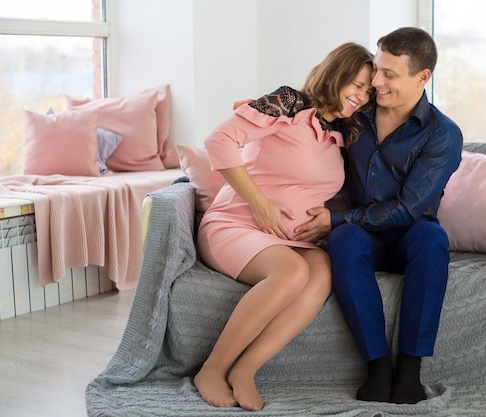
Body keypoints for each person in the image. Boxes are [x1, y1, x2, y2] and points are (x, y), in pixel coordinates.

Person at [193, 42, 374, 411]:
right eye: (356, 84)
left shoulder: (339, 134)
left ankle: (245, 369)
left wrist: (326, 222)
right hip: (235, 224)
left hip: (288, 241)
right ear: (335, 74)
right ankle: (212, 369)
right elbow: (219, 140)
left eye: (368, 91)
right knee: (291, 272)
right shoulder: (289, 102)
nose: (360, 96)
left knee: (323, 272)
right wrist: (259, 204)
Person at [294, 27, 464, 404]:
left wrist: (336, 218)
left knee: (432, 237)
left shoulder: (442, 135)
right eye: (378, 68)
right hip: (363, 237)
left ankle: (409, 369)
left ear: (423, 77)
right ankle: (376, 367)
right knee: (344, 239)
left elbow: (408, 208)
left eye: (390, 74)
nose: (377, 81)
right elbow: (307, 115)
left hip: (410, 235)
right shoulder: (355, 114)